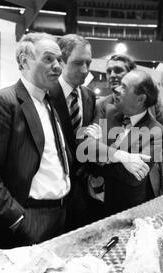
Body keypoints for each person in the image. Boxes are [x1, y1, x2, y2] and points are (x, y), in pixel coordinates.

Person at [0, 33, 71, 256]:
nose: (57, 66)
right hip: (27, 218)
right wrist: (17, 218)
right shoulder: (2, 102)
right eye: (48, 59)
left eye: (59, 60)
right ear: (24, 60)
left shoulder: (52, 104)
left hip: (59, 215)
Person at [82, 70, 163, 215]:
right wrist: (121, 157)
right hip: (91, 205)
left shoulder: (156, 131)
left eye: (124, 87)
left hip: (124, 211)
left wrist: (100, 147)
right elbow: (85, 148)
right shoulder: (108, 112)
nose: (116, 89)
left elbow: (133, 177)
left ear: (140, 99)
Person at [49, 34, 98, 231]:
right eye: (78, 63)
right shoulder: (46, 93)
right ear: (60, 61)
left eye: (88, 63)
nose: (85, 70)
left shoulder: (89, 96)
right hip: (51, 195)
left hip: (81, 194)